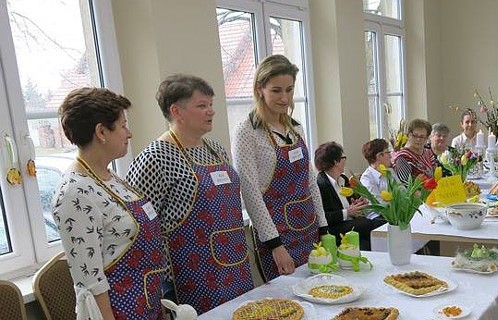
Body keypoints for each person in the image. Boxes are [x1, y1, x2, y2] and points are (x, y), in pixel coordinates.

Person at [127, 75, 253, 314]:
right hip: (191, 279)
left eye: (211, 105)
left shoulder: (215, 149)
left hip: (235, 266)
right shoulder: (156, 158)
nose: (211, 111)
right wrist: (162, 288)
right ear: (177, 111)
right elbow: (142, 228)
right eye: (202, 106)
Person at [54, 87, 167, 319]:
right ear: (101, 132)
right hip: (120, 311)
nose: (129, 133)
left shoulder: (110, 177)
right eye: (123, 125)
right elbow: (91, 283)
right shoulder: (74, 194)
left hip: (148, 304)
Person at [232, 54, 328, 282]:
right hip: (276, 234)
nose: (284, 98)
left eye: (290, 89)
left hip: (308, 228)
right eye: (276, 90)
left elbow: (310, 182)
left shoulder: (295, 128)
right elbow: (250, 193)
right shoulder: (246, 132)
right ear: (259, 89)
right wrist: (275, 245)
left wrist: (323, 228)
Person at [315, 141, 385, 250]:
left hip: (350, 224)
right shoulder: (321, 184)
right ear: (336, 161)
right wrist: (347, 212)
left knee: (369, 237)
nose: (345, 161)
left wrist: (358, 205)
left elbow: (352, 205)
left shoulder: (343, 179)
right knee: (372, 224)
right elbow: (323, 216)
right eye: (343, 158)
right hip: (334, 228)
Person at [392, 118, 436, 184]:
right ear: (409, 135)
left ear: (427, 138)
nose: (418, 139)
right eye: (415, 135)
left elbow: (435, 175)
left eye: (422, 136)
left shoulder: (429, 153)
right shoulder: (403, 156)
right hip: (413, 193)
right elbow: (404, 183)